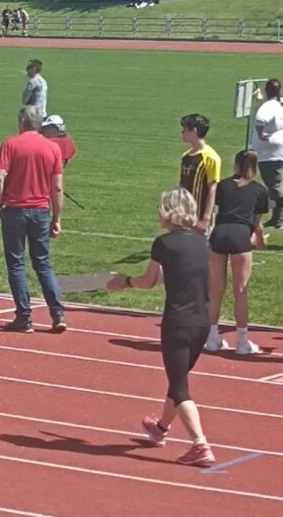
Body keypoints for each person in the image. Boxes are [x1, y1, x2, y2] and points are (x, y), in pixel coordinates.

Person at [106, 188, 216, 467]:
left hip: (178, 322)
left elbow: (148, 281)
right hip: (202, 321)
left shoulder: (163, 244)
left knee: (179, 388)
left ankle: (200, 444)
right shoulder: (201, 242)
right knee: (178, 380)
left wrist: (125, 281)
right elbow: (188, 275)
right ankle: (160, 428)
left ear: (169, 212)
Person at [0, 105, 66, 333]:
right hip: (40, 210)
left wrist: (0, 201)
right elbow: (57, 187)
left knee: (16, 263)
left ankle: (24, 317)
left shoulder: (10, 144)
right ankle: (57, 313)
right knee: (42, 262)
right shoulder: (52, 148)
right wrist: (57, 218)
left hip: (14, 210)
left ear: (21, 122)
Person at [205, 150, 269, 354]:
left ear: (236, 164)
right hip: (240, 235)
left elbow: (214, 209)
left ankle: (211, 337)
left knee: (215, 289)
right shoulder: (260, 191)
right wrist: (261, 243)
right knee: (240, 291)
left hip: (219, 233)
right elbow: (257, 226)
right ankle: (242, 342)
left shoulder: (223, 185)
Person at [178, 114, 221, 235]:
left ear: (194, 131)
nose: (182, 132)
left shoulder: (210, 157)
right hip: (184, 214)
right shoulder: (186, 156)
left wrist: (205, 218)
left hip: (199, 216)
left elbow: (212, 188)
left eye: (185, 129)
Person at [250, 78, 283, 228]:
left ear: (266, 90)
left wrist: (261, 134)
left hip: (269, 152)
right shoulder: (280, 103)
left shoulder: (268, 106)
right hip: (279, 149)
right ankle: (278, 218)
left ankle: (278, 219)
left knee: (275, 186)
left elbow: (260, 120)